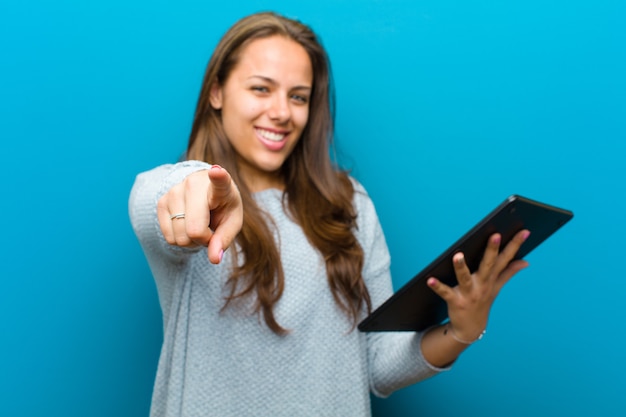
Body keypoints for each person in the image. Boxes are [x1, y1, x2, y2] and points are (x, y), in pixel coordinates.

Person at [129, 11, 530, 417]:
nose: (282, 112)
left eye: (298, 96)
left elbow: (377, 364)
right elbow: (153, 198)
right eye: (261, 88)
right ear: (216, 92)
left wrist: (461, 330)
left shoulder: (350, 204)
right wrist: (199, 183)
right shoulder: (188, 200)